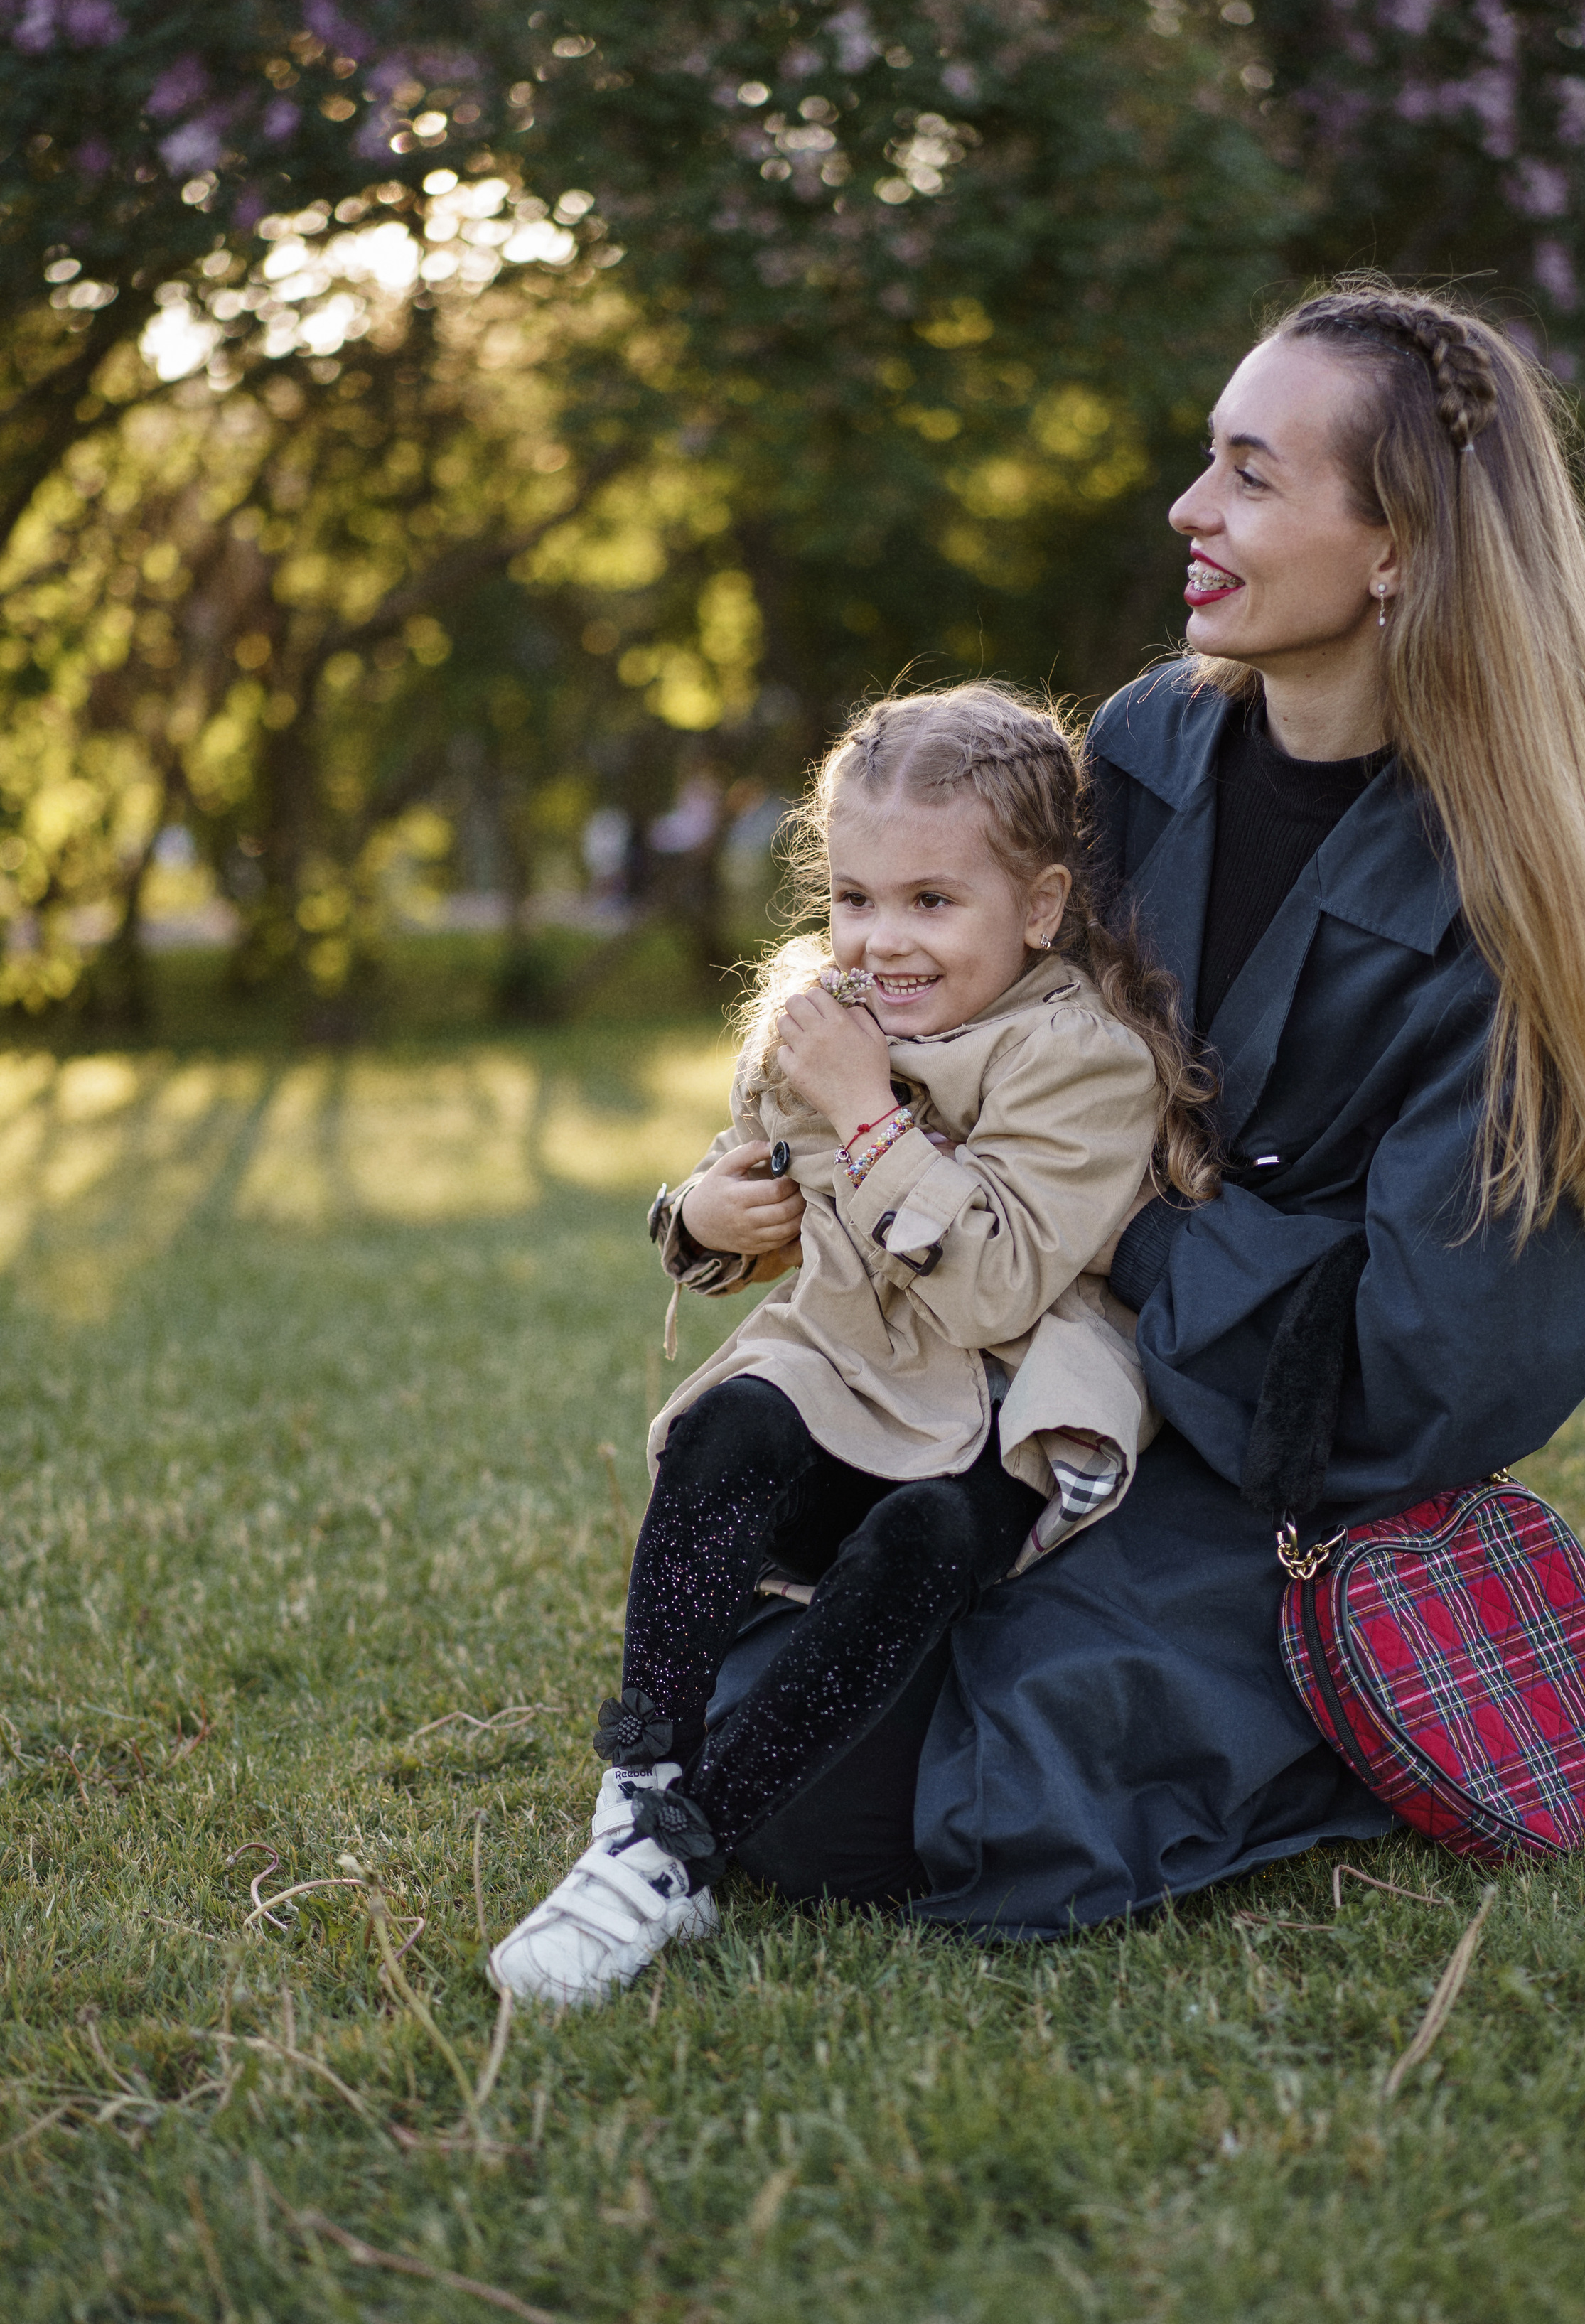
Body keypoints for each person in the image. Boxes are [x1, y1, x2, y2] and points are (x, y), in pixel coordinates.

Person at [692, 279, 1585, 1936]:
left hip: (1274, 1469)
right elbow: (984, 1038)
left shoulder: (1505, 901)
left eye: (1250, 475)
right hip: (1034, 1380)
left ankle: (1354, 1710)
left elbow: (1435, 1362)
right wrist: (798, 1165)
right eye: (1206, 460)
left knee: (919, 1807)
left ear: (1394, 550)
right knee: (738, 1711)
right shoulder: (1138, 752)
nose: (1189, 509)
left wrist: (1115, 1234)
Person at [489, 686, 1218, 2000]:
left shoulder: (1083, 1059)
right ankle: (641, 1780)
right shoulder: (828, 1022)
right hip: (851, 1367)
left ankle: (683, 1853)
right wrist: (701, 1214)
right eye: (856, 898)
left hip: (1005, 1396)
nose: (884, 941)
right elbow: (748, 1188)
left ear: (1041, 907)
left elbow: (994, 1287)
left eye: (933, 903)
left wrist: (868, 1115)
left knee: (927, 1540)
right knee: (733, 1421)